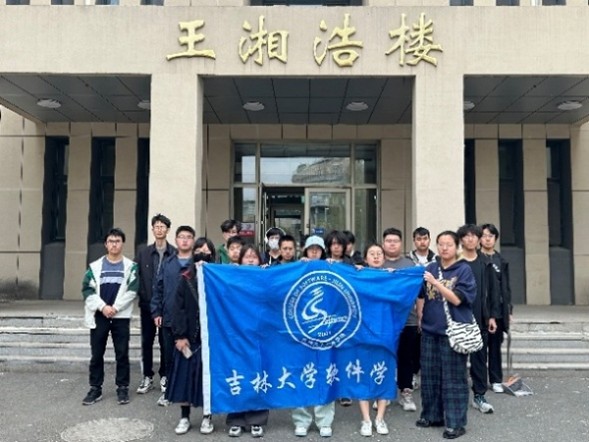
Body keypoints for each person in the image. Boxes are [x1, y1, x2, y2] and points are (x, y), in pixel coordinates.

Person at [416, 230, 477, 440]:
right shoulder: (431, 268)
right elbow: (421, 295)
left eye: (449, 244)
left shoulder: (463, 270)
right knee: (429, 377)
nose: (444, 248)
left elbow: (458, 300)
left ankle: (455, 423)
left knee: (454, 379)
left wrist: (436, 283)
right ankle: (431, 415)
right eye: (441, 244)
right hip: (430, 330)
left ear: (457, 247)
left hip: (453, 332)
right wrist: (421, 317)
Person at [81, 227, 138, 406]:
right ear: (106, 244)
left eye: (117, 241)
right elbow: (87, 289)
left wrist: (115, 308)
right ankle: (95, 388)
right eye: (111, 241)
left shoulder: (131, 267)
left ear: (122, 244)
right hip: (100, 316)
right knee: (97, 354)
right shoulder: (95, 267)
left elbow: (132, 290)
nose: (114, 244)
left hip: (121, 317)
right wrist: (103, 307)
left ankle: (122, 388)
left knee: (122, 354)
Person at [168, 237, 216, 436]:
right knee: (185, 379)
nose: (202, 254)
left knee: (208, 380)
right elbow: (177, 308)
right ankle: (184, 417)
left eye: (206, 251)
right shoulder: (185, 277)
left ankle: (207, 416)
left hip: (211, 339)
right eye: (199, 251)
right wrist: (179, 336)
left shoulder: (218, 278)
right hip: (189, 338)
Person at [292, 235, 335, 438]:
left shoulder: (332, 268)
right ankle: (301, 420)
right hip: (299, 331)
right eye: (311, 248)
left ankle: (324, 421)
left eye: (318, 248)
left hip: (325, 332)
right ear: (305, 251)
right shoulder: (296, 269)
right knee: (300, 373)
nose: (315, 251)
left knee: (324, 374)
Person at [226, 244, 268, 438]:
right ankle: (236, 419)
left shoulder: (266, 277)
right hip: (236, 335)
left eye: (254, 257)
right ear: (240, 260)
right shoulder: (231, 277)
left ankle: (256, 420)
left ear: (260, 260)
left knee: (258, 376)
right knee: (237, 376)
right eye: (247, 256)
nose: (250, 260)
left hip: (259, 336)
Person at [456, 224, 500, 414]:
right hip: (458, 319)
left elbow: (493, 291)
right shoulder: (455, 262)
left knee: (479, 360)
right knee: (457, 360)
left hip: (480, 318)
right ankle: (457, 396)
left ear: (479, 239)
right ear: (461, 239)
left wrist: (492, 316)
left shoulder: (485, 263)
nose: (471, 239)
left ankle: (479, 395)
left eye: (474, 235)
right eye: (466, 236)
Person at [152, 225, 196, 406]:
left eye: (188, 237)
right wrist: (156, 311)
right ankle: (169, 392)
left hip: (193, 322)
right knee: (169, 356)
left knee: (191, 357)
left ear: (193, 241)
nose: (184, 240)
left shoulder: (198, 264)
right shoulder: (168, 263)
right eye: (181, 237)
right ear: (176, 240)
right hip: (169, 318)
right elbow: (158, 288)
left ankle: (191, 391)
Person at [134, 214, 175, 395]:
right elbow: (135, 276)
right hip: (147, 305)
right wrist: (141, 294)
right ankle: (147, 376)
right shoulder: (143, 253)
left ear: (167, 229)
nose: (159, 229)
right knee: (147, 341)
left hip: (167, 306)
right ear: (152, 229)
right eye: (156, 226)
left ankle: (165, 375)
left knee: (166, 342)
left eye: (162, 226)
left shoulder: (174, 253)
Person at [382, 227, 417, 412]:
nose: (392, 244)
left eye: (395, 241)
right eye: (388, 241)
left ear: (401, 243)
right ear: (383, 243)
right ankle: (384, 393)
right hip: (383, 320)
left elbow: (418, 292)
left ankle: (406, 392)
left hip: (407, 319)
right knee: (384, 356)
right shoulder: (377, 263)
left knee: (406, 358)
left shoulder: (410, 264)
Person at [357, 243, 390, 437]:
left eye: (379, 254)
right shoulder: (358, 276)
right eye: (372, 254)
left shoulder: (390, 277)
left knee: (383, 373)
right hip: (362, 333)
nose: (376, 257)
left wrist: (395, 276)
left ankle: (380, 418)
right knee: (363, 375)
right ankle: (366, 419)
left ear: (384, 257)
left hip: (385, 333)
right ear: (366, 258)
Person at [480, 223, 513, 394]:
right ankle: (479, 380)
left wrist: (509, 310)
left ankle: (495, 379)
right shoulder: (476, 259)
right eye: (484, 235)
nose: (487, 239)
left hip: (498, 310)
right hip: (481, 310)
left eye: (490, 236)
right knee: (479, 348)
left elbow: (506, 288)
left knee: (495, 347)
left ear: (495, 239)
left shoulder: (501, 260)